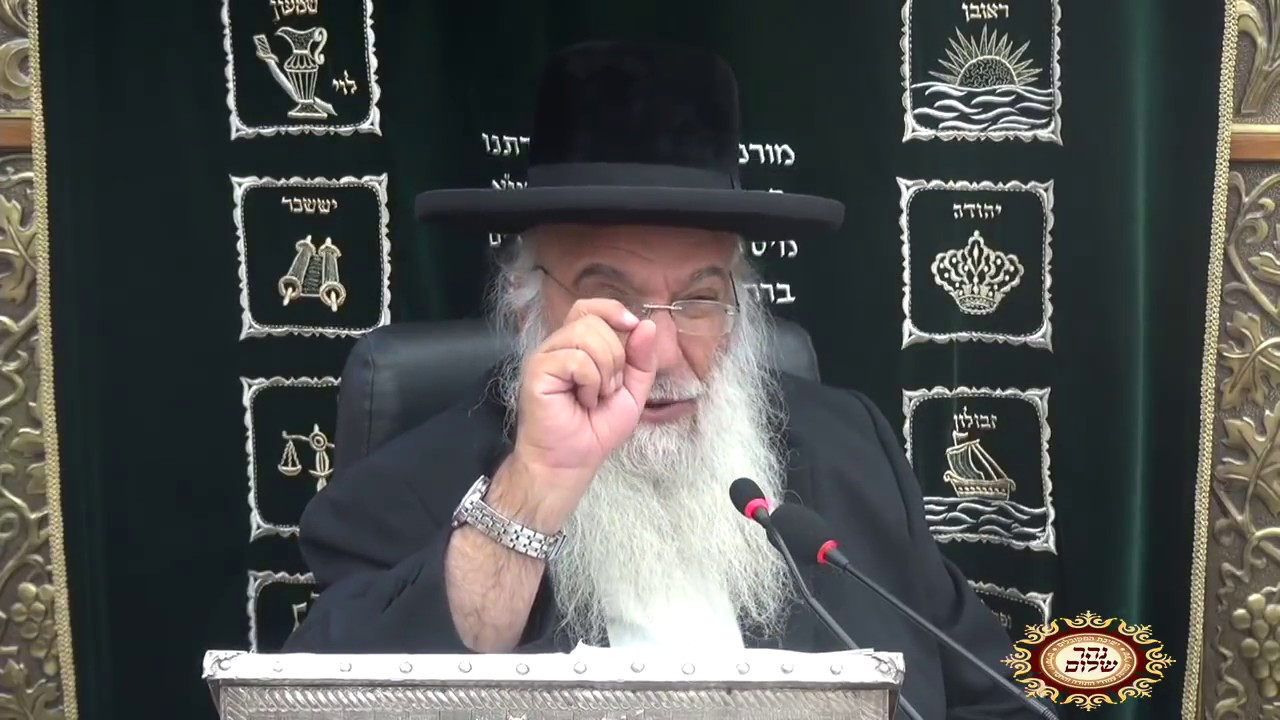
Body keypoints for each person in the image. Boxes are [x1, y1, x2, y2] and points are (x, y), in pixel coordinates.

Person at [286, 40, 1045, 719]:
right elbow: (332, 704)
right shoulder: (405, 488)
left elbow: (996, 699)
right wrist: (533, 490)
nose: (663, 350)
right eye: (610, 300)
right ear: (525, 311)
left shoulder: (855, 454)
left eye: (700, 299)